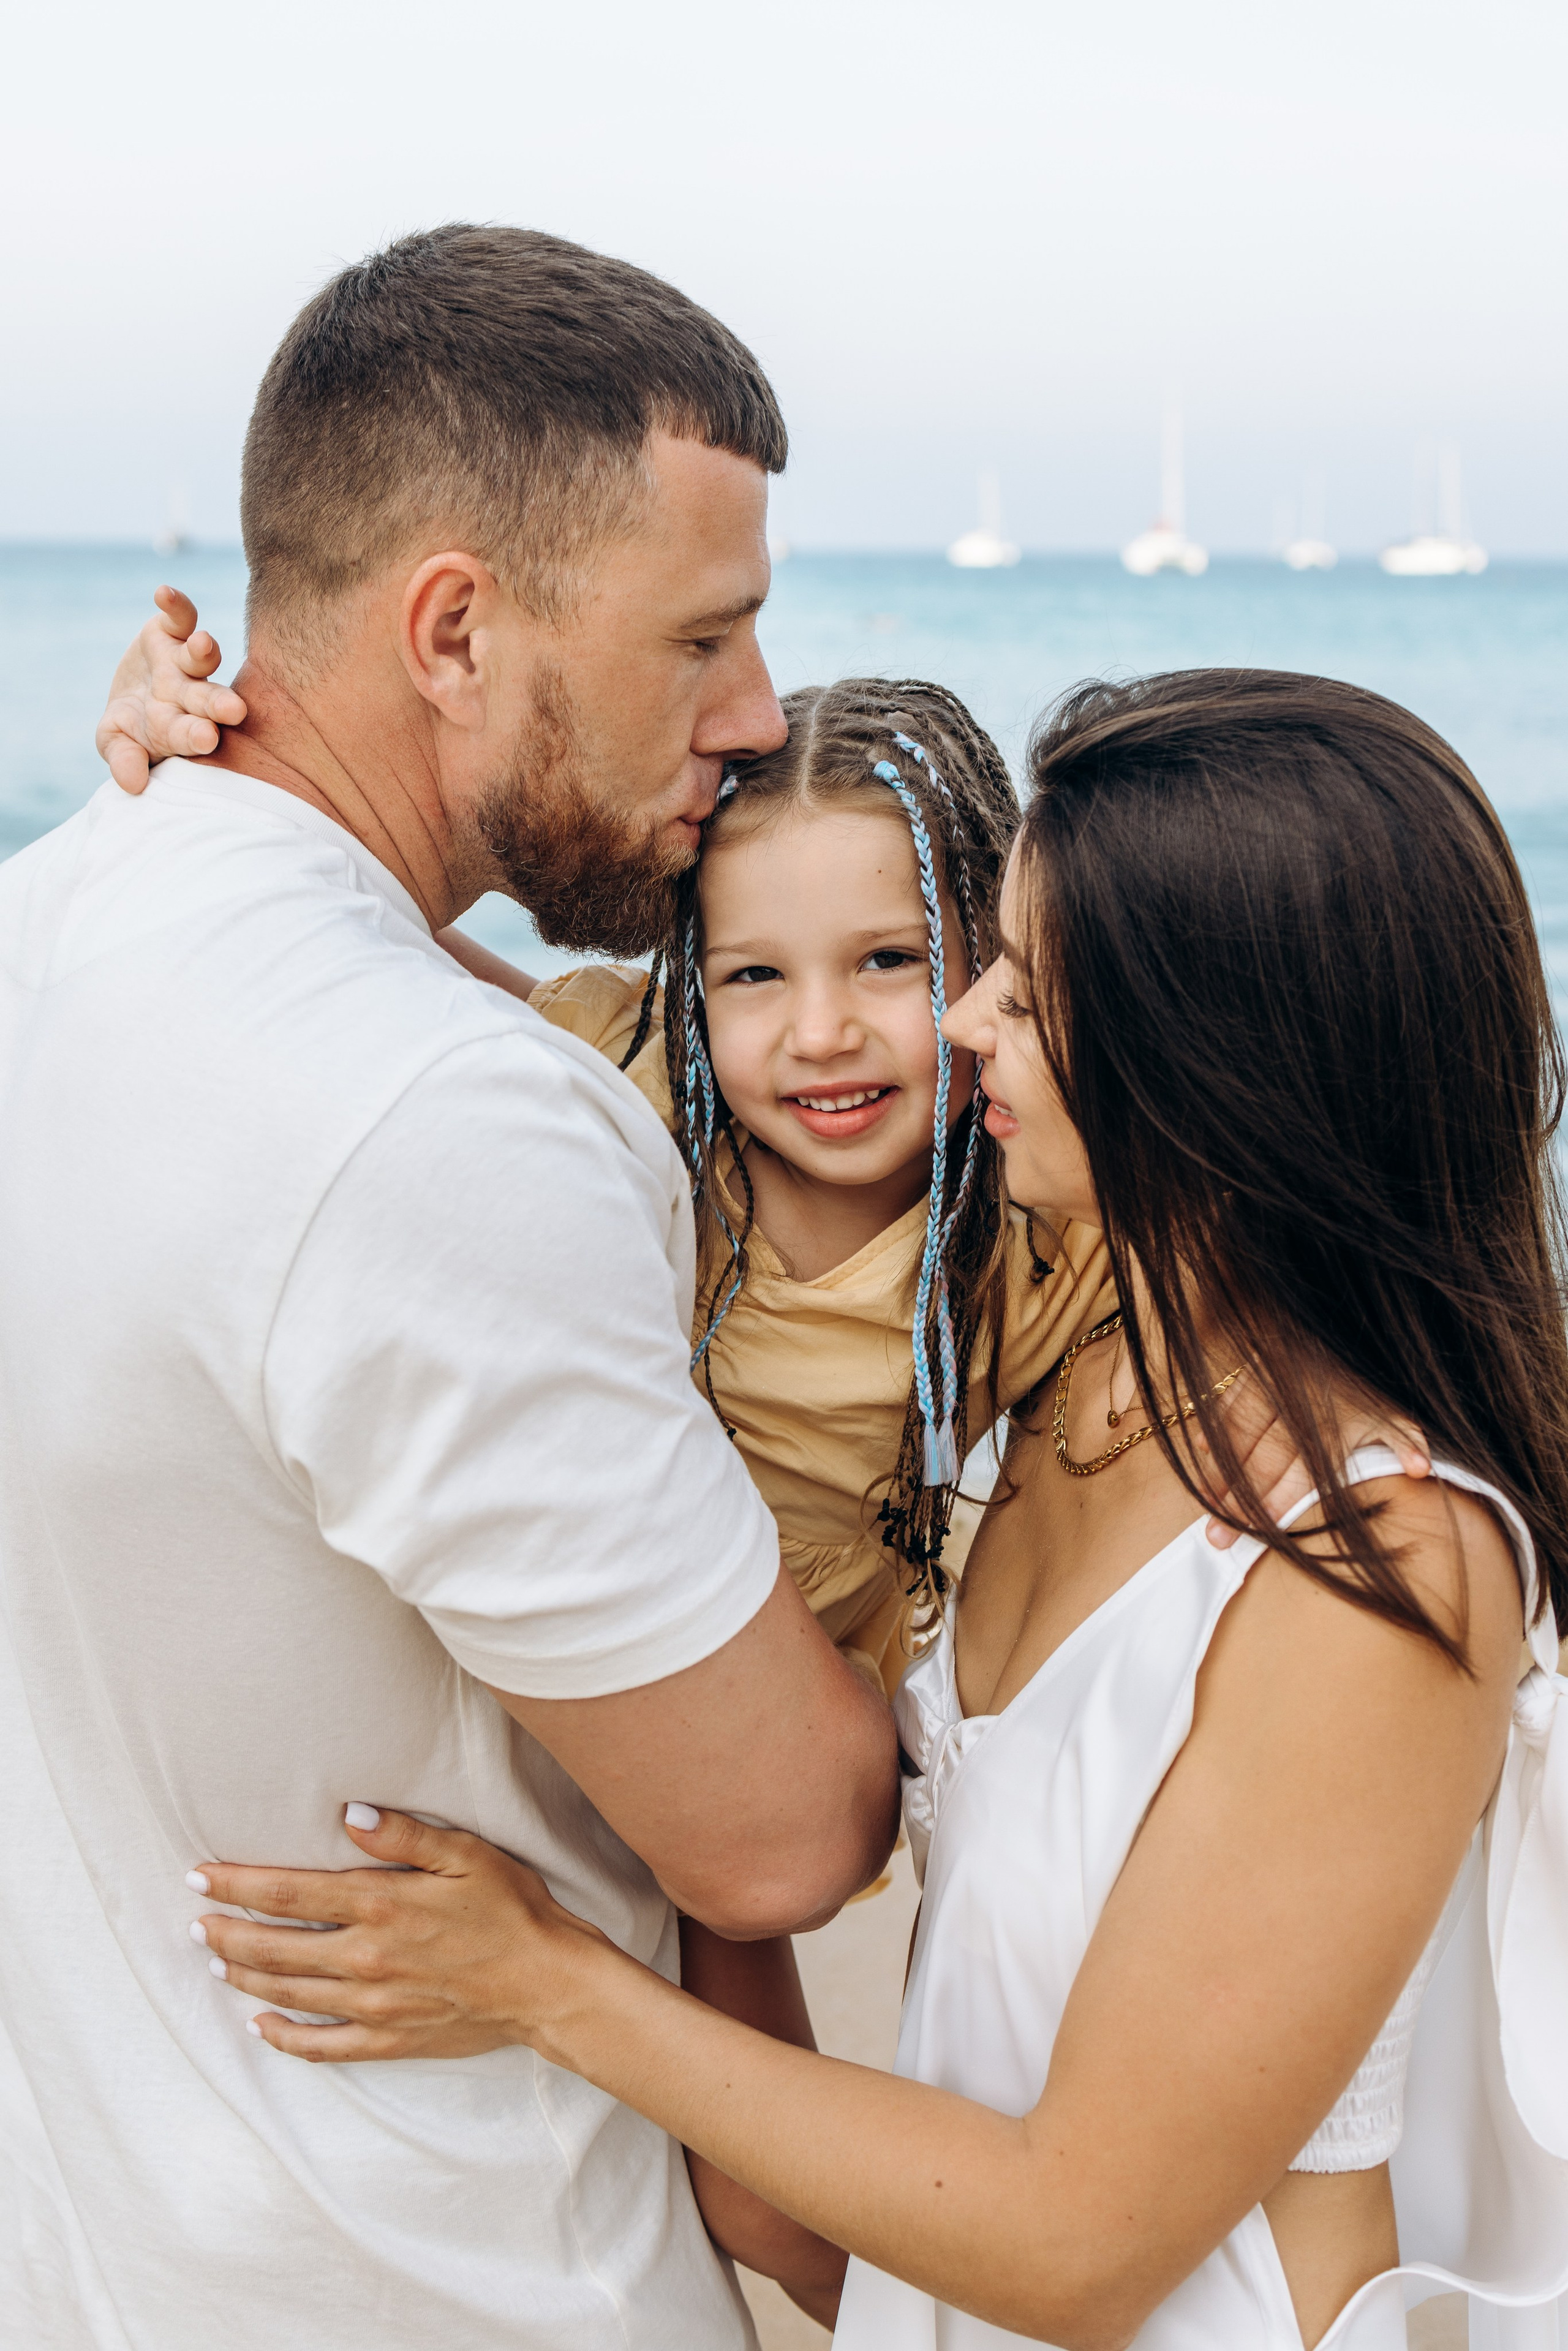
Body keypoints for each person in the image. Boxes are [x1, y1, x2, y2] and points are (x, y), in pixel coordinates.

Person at [176, 671, 1568, 2349]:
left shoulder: (1373, 1553)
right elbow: (814, 2199)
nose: (965, 1025)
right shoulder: (1065, 1399)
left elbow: (1079, 2246)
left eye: (1025, 991)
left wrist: (544, 1979)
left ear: (1221, 1052)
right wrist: (217, 782)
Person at [0, 223, 902, 2351]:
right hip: (465, 2284)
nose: (758, 715)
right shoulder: (437, 1118)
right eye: (704, 638)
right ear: (455, 630)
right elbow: (781, 1841)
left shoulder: (54, 925)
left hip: (118, 2263)